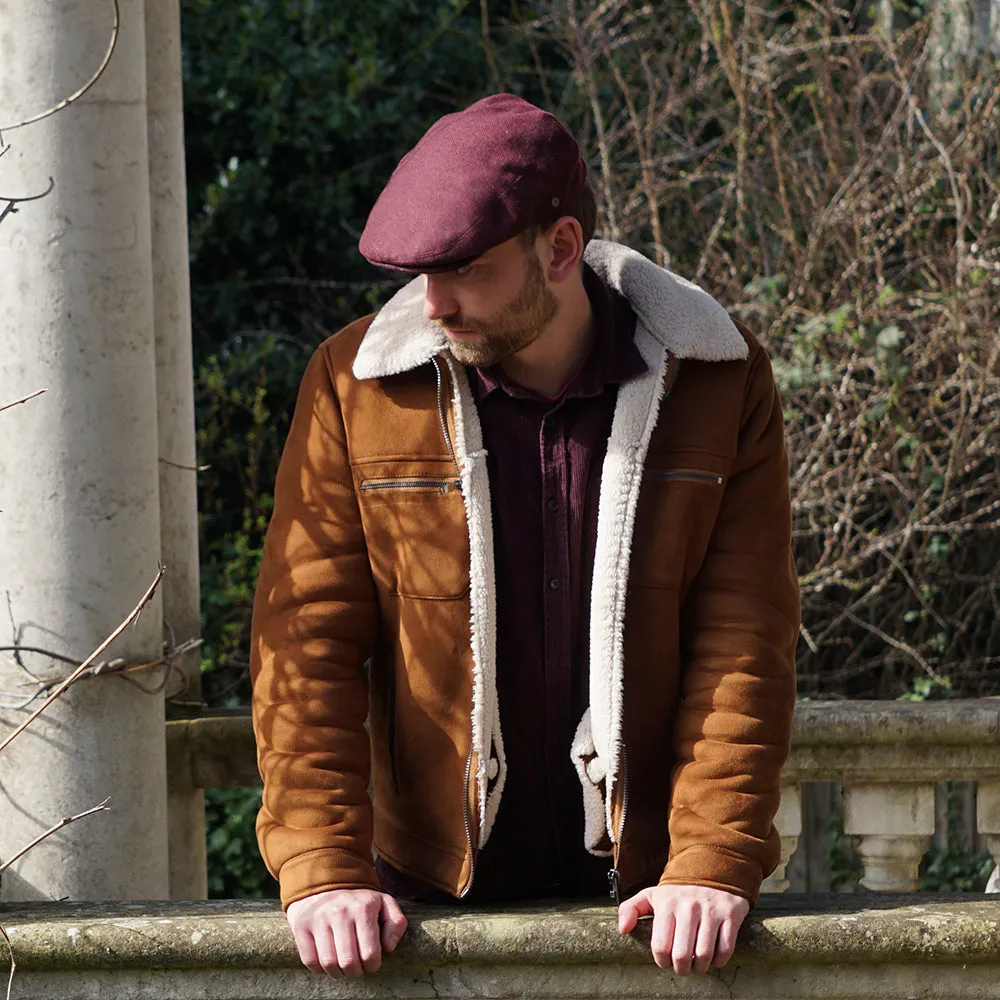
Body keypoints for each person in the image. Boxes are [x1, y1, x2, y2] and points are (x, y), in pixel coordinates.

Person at [250, 94, 799, 981]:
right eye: (423, 274)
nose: (435, 305)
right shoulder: (357, 388)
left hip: (651, 907)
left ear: (560, 249)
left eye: (465, 270)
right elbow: (302, 640)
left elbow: (745, 635)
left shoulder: (717, 380)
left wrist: (714, 856)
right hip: (420, 902)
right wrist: (320, 867)